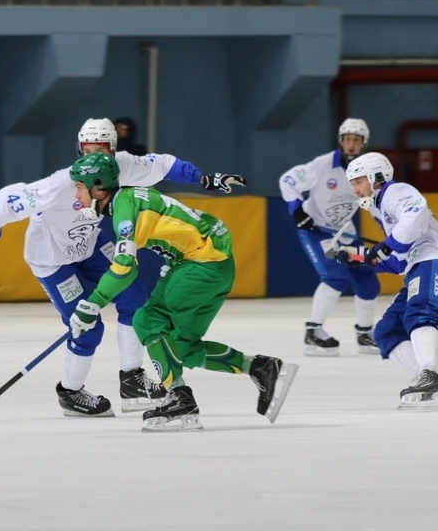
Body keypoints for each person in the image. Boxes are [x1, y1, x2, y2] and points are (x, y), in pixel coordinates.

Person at [0, 118, 247, 418]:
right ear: (79, 149)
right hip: (52, 258)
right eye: (88, 149)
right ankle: (70, 392)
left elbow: (163, 164)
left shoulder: (120, 166)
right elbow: (7, 200)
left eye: (102, 149)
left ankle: (132, 380)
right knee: (88, 328)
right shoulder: (62, 183)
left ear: (113, 148)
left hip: (90, 245)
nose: (95, 155)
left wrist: (203, 179)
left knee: (135, 299)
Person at [66, 151, 299, 432]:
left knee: (147, 319)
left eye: (79, 187)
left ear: (99, 187)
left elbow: (126, 266)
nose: (76, 195)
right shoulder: (129, 199)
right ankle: (260, 368)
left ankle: (179, 398)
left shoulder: (124, 207)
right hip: (215, 264)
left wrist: (91, 304)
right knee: (183, 348)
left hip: (202, 262)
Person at [339, 152, 438, 409]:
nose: (356, 190)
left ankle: (430, 375)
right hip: (420, 263)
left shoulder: (396, 192)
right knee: (388, 331)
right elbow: (397, 261)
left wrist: (383, 248)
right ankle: (428, 381)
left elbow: (414, 216)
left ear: (376, 177)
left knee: (420, 314)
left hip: (437, 258)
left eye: (358, 182)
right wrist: (362, 258)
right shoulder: (384, 210)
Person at [278, 118, 380, 357]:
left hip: (345, 233)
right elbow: (288, 181)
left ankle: (365, 334)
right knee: (335, 276)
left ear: (364, 143)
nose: (351, 145)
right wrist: (297, 211)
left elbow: (376, 206)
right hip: (316, 231)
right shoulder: (323, 165)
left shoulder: (369, 172)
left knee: (367, 280)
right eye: (347, 139)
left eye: (356, 140)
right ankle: (313, 332)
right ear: (340, 141)